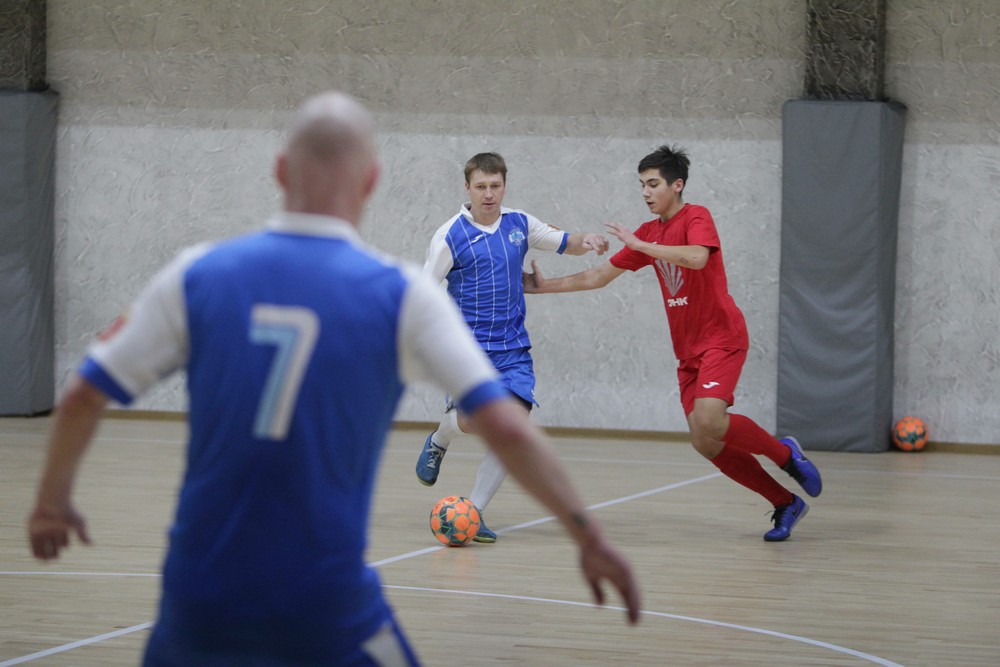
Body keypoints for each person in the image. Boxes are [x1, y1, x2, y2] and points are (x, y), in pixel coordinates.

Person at [27, 92, 641, 666]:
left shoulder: (198, 275)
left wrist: (52, 501)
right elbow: (508, 430)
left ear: (278, 170)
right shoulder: (398, 296)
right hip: (328, 595)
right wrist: (586, 535)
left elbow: (82, 394)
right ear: (371, 180)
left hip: (198, 590)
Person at [524, 144, 823, 542]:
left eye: (653, 184)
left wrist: (642, 246)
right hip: (688, 352)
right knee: (704, 441)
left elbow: (697, 258)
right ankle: (785, 502)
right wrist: (542, 287)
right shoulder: (649, 233)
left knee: (711, 420)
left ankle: (785, 454)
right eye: (642, 185)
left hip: (722, 337)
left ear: (676, 185)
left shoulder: (696, 217)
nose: (645, 193)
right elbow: (597, 277)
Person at [414, 152, 609, 543]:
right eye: (481, 187)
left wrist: (585, 240)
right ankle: (439, 439)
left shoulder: (519, 223)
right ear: (467, 188)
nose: (489, 194)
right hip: (467, 351)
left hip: (512, 349)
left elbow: (563, 242)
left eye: (495, 186)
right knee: (473, 422)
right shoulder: (450, 235)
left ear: (504, 185)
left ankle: (474, 513)